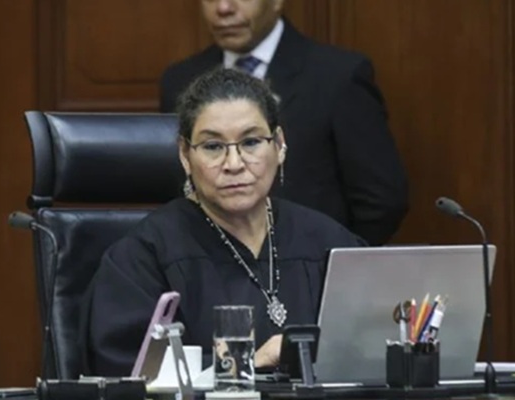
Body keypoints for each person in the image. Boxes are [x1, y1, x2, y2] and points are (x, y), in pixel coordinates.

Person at [81, 68, 365, 377]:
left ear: (279, 145)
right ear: (185, 155)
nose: (234, 164)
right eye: (213, 147)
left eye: (251, 142)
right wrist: (247, 363)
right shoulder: (142, 259)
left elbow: (372, 351)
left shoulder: (330, 243)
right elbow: (131, 375)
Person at [160, 0, 409, 245]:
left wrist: (335, 259)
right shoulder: (180, 81)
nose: (224, 8)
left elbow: (382, 200)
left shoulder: (338, 76)